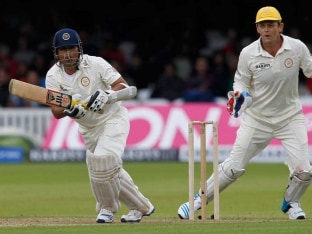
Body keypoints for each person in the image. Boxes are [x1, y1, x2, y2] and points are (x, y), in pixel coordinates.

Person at [177, 6, 312, 220]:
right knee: (234, 167)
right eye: (263, 25)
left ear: (281, 26)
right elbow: (240, 80)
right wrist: (240, 94)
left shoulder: (297, 48)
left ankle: (292, 203)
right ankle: (198, 200)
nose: (267, 29)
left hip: (290, 118)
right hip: (257, 119)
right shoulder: (248, 53)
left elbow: (310, 70)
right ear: (257, 28)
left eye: (271, 25)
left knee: (304, 171)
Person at [45, 28, 155, 223]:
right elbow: (56, 111)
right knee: (110, 170)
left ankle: (107, 208)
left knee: (102, 161)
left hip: (113, 119)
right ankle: (141, 206)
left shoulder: (96, 63)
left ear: (79, 49)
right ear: (56, 52)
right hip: (88, 129)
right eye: (63, 50)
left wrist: (107, 96)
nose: (68, 54)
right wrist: (71, 107)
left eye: (71, 48)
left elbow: (126, 88)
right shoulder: (53, 76)